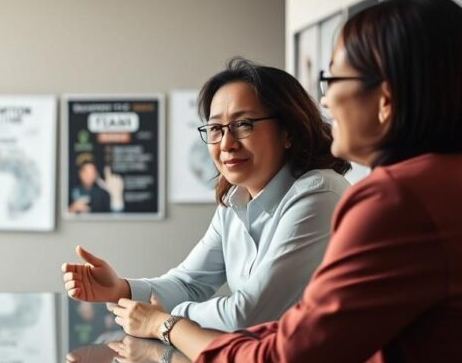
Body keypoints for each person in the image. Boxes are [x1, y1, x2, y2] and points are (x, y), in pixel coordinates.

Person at [114, 0, 462, 363]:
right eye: (215, 128)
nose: (324, 102)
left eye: (333, 81)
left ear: (385, 98)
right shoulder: (438, 185)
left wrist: (170, 326)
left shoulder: (395, 199)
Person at [63, 58, 351, 334]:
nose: (226, 143)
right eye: (215, 128)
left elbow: (248, 314)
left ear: (288, 131)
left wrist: (163, 322)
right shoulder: (235, 202)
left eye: (243, 124)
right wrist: (121, 289)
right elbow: (188, 284)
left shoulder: (319, 194)